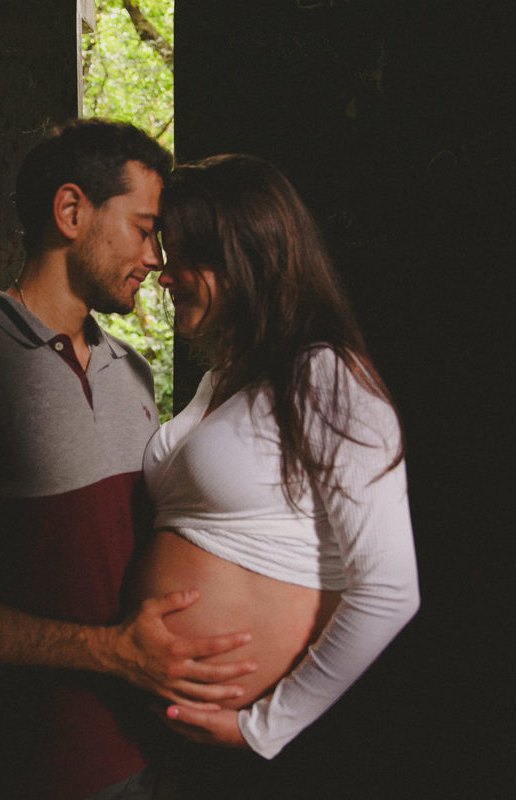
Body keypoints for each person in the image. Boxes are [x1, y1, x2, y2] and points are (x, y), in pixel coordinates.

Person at [0, 120, 257, 800]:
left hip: (157, 754)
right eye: (145, 228)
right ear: (71, 212)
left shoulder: (135, 376)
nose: (156, 257)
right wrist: (114, 654)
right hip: (37, 776)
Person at [134, 154, 420, 767]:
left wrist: (263, 728)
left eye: (182, 254)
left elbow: (391, 588)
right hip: (175, 748)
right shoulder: (220, 380)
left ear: (240, 257)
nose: (164, 274)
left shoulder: (326, 377)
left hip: (275, 752)